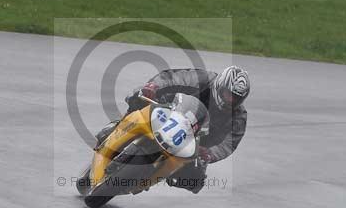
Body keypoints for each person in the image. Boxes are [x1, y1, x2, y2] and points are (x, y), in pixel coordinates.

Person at [96, 66, 250, 194]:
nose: (230, 100)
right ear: (219, 85)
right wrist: (153, 87)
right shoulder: (202, 79)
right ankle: (117, 127)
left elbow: (229, 144)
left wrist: (210, 153)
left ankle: (153, 176)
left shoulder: (238, 117)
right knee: (138, 96)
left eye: (235, 98)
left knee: (195, 180)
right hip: (169, 110)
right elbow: (171, 78)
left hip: (195, 143)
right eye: (228, 94)